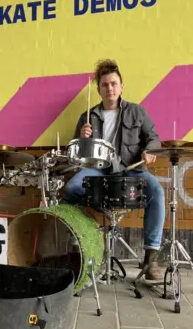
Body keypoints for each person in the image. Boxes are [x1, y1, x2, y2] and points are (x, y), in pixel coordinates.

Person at [60, 59, 165, 281]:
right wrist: (82, 137)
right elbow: (77, 151)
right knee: (71, 188)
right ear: (98, 89)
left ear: (121, 86)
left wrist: (150, 150)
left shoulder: (137, 112)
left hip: (130, 170)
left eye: (114, 84)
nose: (110, 88)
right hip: (98, 170)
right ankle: (78, 248)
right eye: (105, 85)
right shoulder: (87, 116)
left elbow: (153, 137)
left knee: (157, 192)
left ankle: (151, 258)